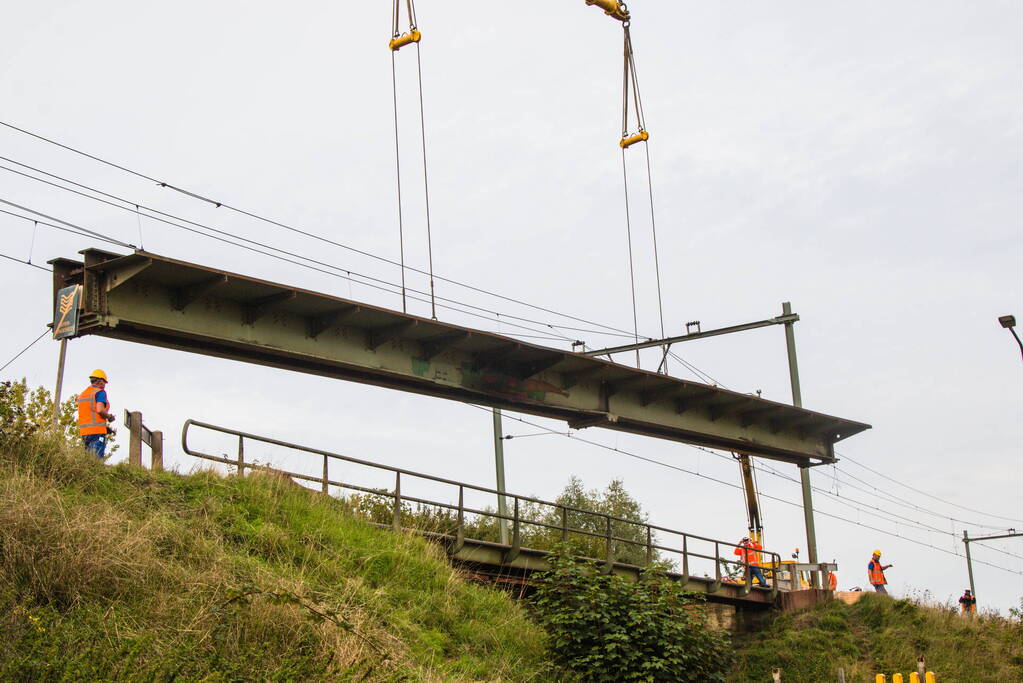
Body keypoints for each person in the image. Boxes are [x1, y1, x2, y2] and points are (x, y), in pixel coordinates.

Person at [77, 369, 115, 458]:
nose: (105, 385)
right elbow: (100, 410)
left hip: (84, 432)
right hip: (97, 432)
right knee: (96, 461)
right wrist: (109, 417)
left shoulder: (83, 394)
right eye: (104, 382)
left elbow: (90, 414)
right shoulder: (100, 392)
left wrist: (105, 427)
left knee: (88, 461)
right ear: (100, 381)